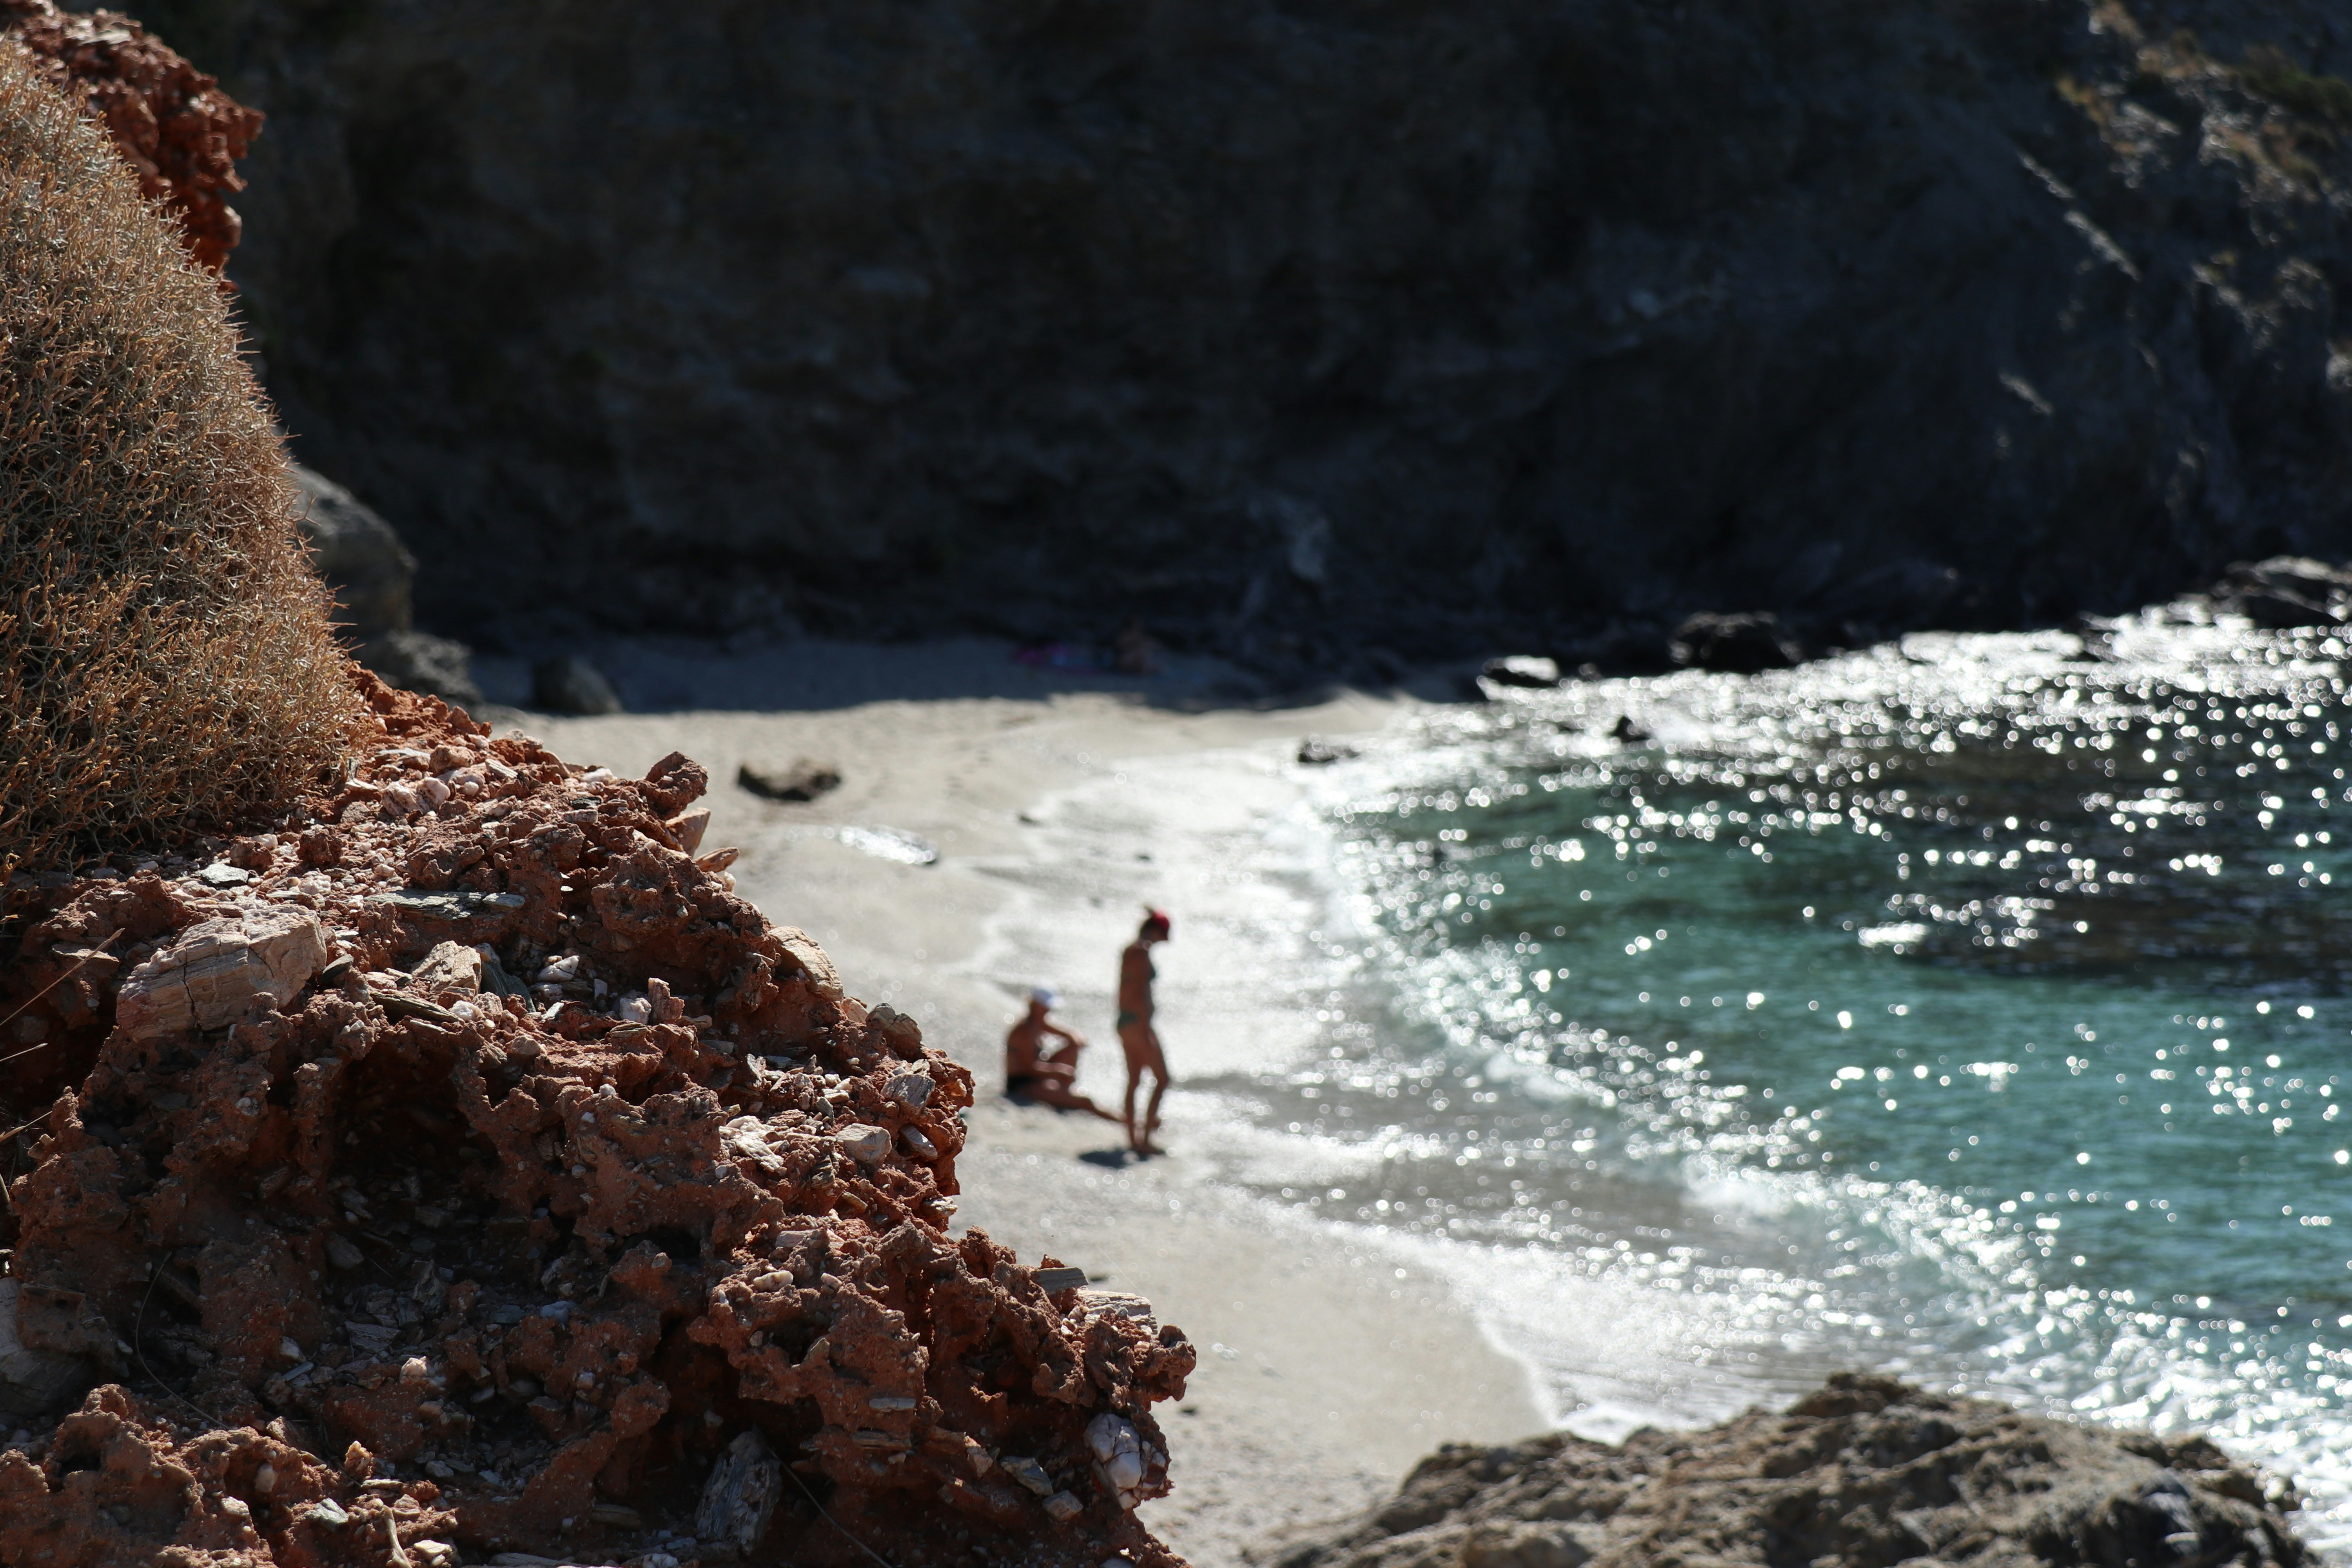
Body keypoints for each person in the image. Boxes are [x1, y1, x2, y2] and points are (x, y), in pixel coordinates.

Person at [1004, 988, 1117, 1121]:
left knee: (1073, 1048)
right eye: (1045, 1007)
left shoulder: (1038, 1024)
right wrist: (1058, 1071)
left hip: (1038, 1077)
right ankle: (1123, 1122)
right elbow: (1030, 1068)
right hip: (1024, 1085)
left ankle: (1065, 1088)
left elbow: (1073, 1036)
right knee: (1086, 1102)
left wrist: (1075, 1042)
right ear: (1035, 1005)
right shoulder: (1025, 1030)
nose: (1048, 1011)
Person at [1116, 909, 1174, 1154]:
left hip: (1127, 1022)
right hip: (1138, 1023)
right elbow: (1138, 992)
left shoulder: (1132, 950)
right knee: (1162, 1079)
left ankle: (1134, 1140)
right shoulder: (1140, 951)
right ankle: (1146, 1141)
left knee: (1134, 1081)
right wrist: (1145, 1026)